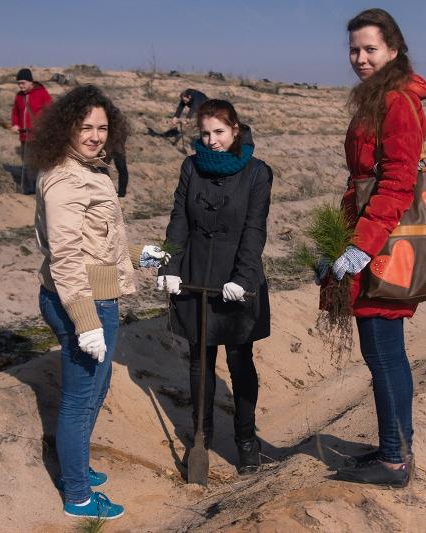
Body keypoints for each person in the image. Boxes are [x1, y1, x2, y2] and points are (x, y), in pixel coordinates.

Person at [29, 85, 168, 520]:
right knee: (80, 398)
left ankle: (77, 468)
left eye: (102, 127)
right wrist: (86, 321)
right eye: (85, 126)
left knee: (95, 389)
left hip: (96, 292)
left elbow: (98, 244)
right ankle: (78, 497)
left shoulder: (90, 170)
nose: (94, 136)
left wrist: (141, 256)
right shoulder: (66, 180)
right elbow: (67, 257)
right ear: (66, 127)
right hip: (83, 300)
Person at [326, 8, 426, 488]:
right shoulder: (379, 97)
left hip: (384, 244)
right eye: (354, 50)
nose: (360, 58)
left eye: (370, 49)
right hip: (374, 235)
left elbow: (396, 184)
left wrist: (361, 248)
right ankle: (396, 447)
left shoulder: (396, 102)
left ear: (393, 48)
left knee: (384, 353)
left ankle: (393, 461)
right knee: (387, 352)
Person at [157, 99, 273, 475]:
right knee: (200, 361)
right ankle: (200, 438)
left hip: (237, 279)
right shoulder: (190, 167)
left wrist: (242, 278)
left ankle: (246, 439)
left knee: (240, 359)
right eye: (205, 133)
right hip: (196, 276)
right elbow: (179, 220)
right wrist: (170, 265)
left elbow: (254, 230)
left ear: (235, 130)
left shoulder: (257, 173)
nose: (212, 141)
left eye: (219, 132)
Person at [11, 68, 53, 194]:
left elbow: (51, 111)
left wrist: (44, 127)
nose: (20, 86)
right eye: (19, 83)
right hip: (24, 135)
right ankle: (31, 188)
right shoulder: (19, 96)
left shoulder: (42, 93)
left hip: (38, 136)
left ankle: (42, 188)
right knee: (27, 163)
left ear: (30, 81)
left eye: (23, 83)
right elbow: (15, 112)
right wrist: (15, 124)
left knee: (39, 163)